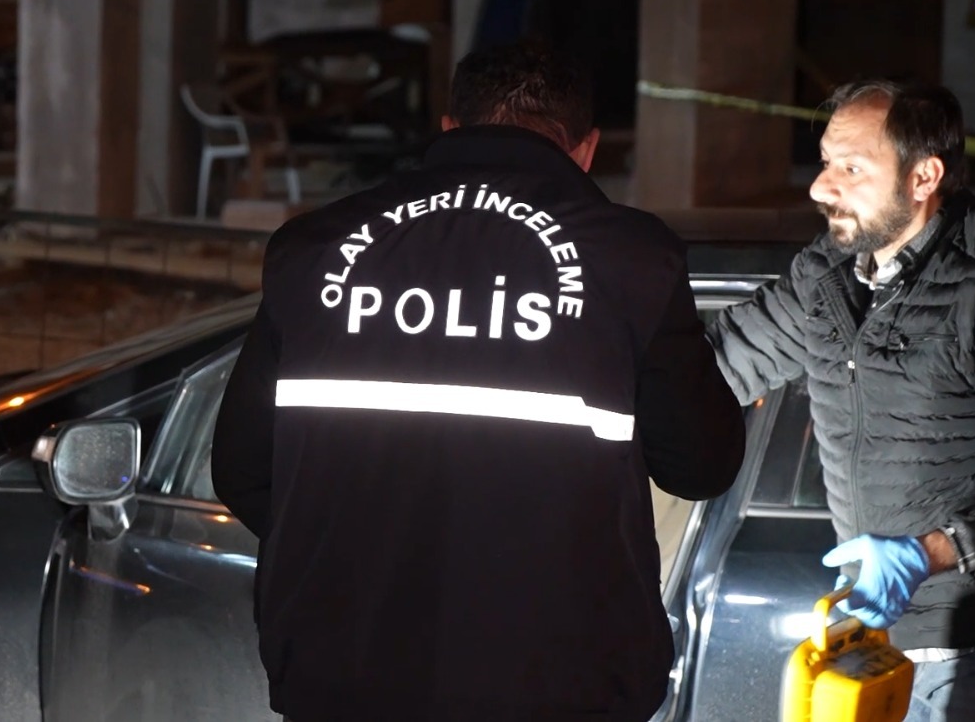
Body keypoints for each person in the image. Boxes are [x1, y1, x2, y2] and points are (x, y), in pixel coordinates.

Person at [210, 44, 745, 722]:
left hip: (343, 677)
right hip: (561, 683)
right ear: (585, 150)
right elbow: (702, 464)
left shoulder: (312, 248)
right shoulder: (633, 259)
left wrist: (365, 551)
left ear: (448, 128)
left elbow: (242, 469)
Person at [707, 80, 975, 721]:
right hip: (867, 647)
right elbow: (717, 367)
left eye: (851, 168)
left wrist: (928, 552)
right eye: (826, 162)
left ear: (923, 177)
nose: (820, 187)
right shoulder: (828, 274)